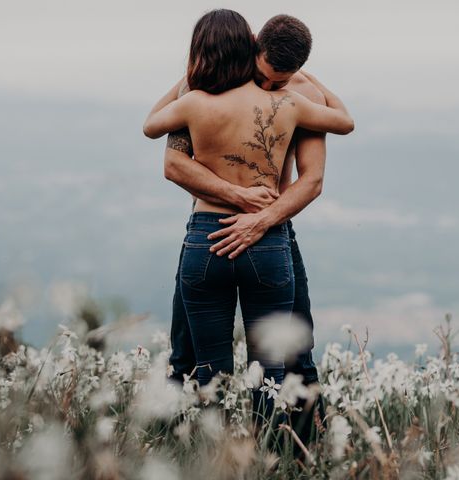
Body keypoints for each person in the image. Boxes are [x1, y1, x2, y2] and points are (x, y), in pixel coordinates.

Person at [143, 9, 353, 419]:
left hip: (240, 229)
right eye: (267, 75)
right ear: (253, 46)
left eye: (283, 80)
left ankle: (241, 451)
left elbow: (311, 180)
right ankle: (263, 451)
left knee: (240, 364)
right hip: (259, 235)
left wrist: (262, 217)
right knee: (255, 368)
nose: (272, 86)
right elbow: (174, 165)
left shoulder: (214, 98)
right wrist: (244, 198)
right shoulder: (274, 99)